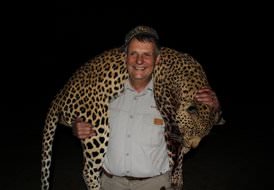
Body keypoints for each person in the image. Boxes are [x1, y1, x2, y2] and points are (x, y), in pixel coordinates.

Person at [72, 26, 222, 190]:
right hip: (111, 183)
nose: (139, 61)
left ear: (157, 60)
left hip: (155, 184)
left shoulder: (172, 97)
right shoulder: (105, 91)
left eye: (146, 54)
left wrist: (213, 107)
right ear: (125, 57)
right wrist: (76, 126)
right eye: (133, 53)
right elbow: (69, 117)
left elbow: (201, 127)